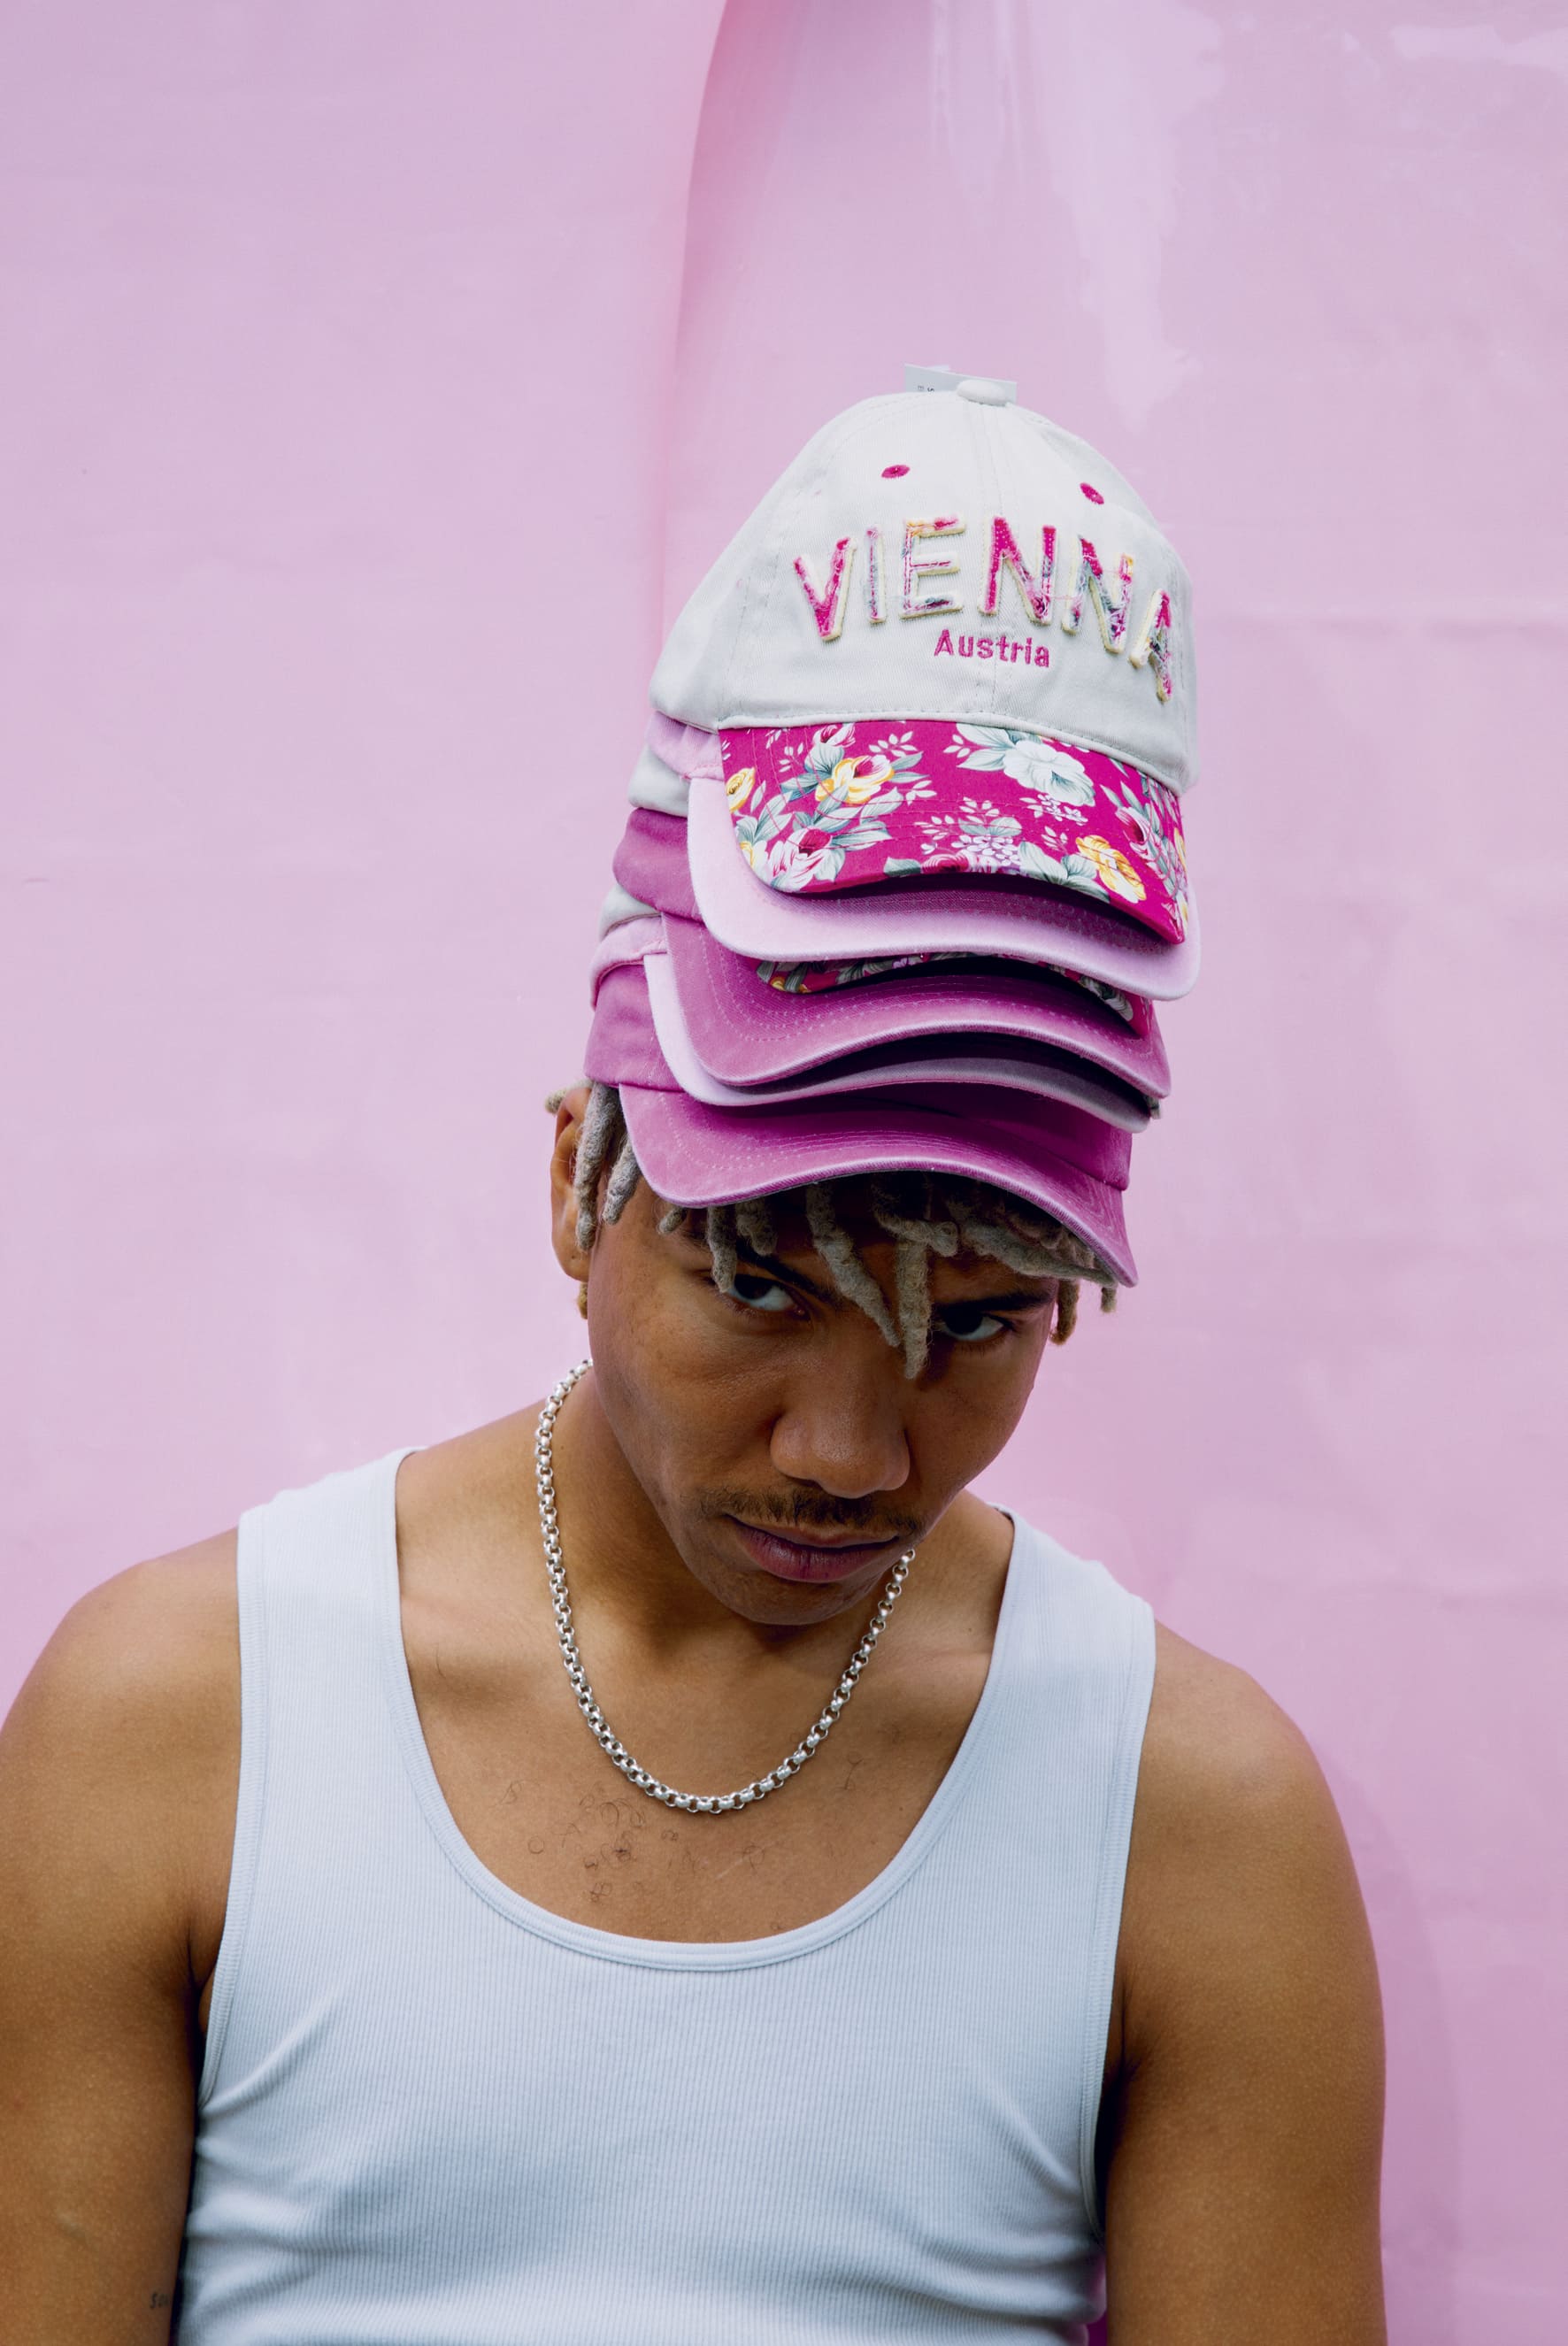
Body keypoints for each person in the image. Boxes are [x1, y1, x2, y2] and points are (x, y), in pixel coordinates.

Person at [0, 380, 1386, 2344]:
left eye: (976, 1320)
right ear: (579, 1182)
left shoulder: (1190, 1816)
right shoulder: (180, 1723)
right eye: (759, 1283)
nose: (849, 1452)